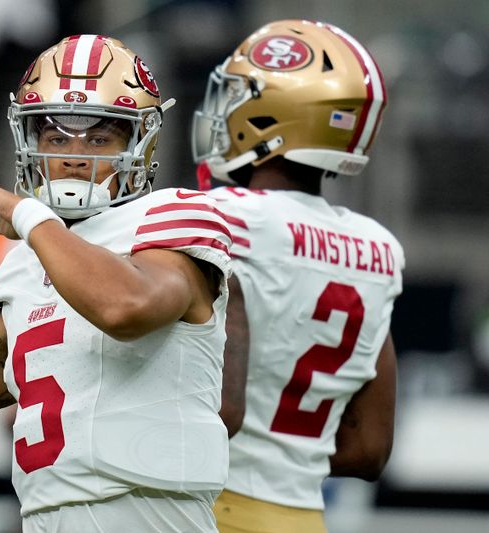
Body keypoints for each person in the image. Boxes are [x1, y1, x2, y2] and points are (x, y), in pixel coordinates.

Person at [0, 34, 237, 532]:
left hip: (147, 515)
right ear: (30, 142)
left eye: (99, 138)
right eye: (56, 137)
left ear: (140, 143)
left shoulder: (172, 216)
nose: (75, 156)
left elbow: (126, 307)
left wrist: (30, 217)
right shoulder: (29, 258)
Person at [190, 19, 404, 533]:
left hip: (201, 510)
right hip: (301, 516)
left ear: (271, 113)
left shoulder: (218, 216)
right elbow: (369, 449)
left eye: (240, 95)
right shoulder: (380, 249)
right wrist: (284, 454)